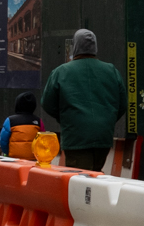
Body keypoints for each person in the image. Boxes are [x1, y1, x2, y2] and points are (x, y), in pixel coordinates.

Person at [38, 29, 124, 172]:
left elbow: (47, 103)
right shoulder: (111, 71)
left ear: (75, 46)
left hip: (75, 137)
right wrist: (106, 119)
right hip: (103, 138)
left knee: (79, 181)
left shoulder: (61, 72)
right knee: (96, 175)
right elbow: (122, 104)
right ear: (95, 47)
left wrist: (67, 118)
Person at [0, 92, 40, 158]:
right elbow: (42, 140)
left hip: (14, 159)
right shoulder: (39, 121)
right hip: (33, 158)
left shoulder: (10, 120)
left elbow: (3, 140)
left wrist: (7, 152)